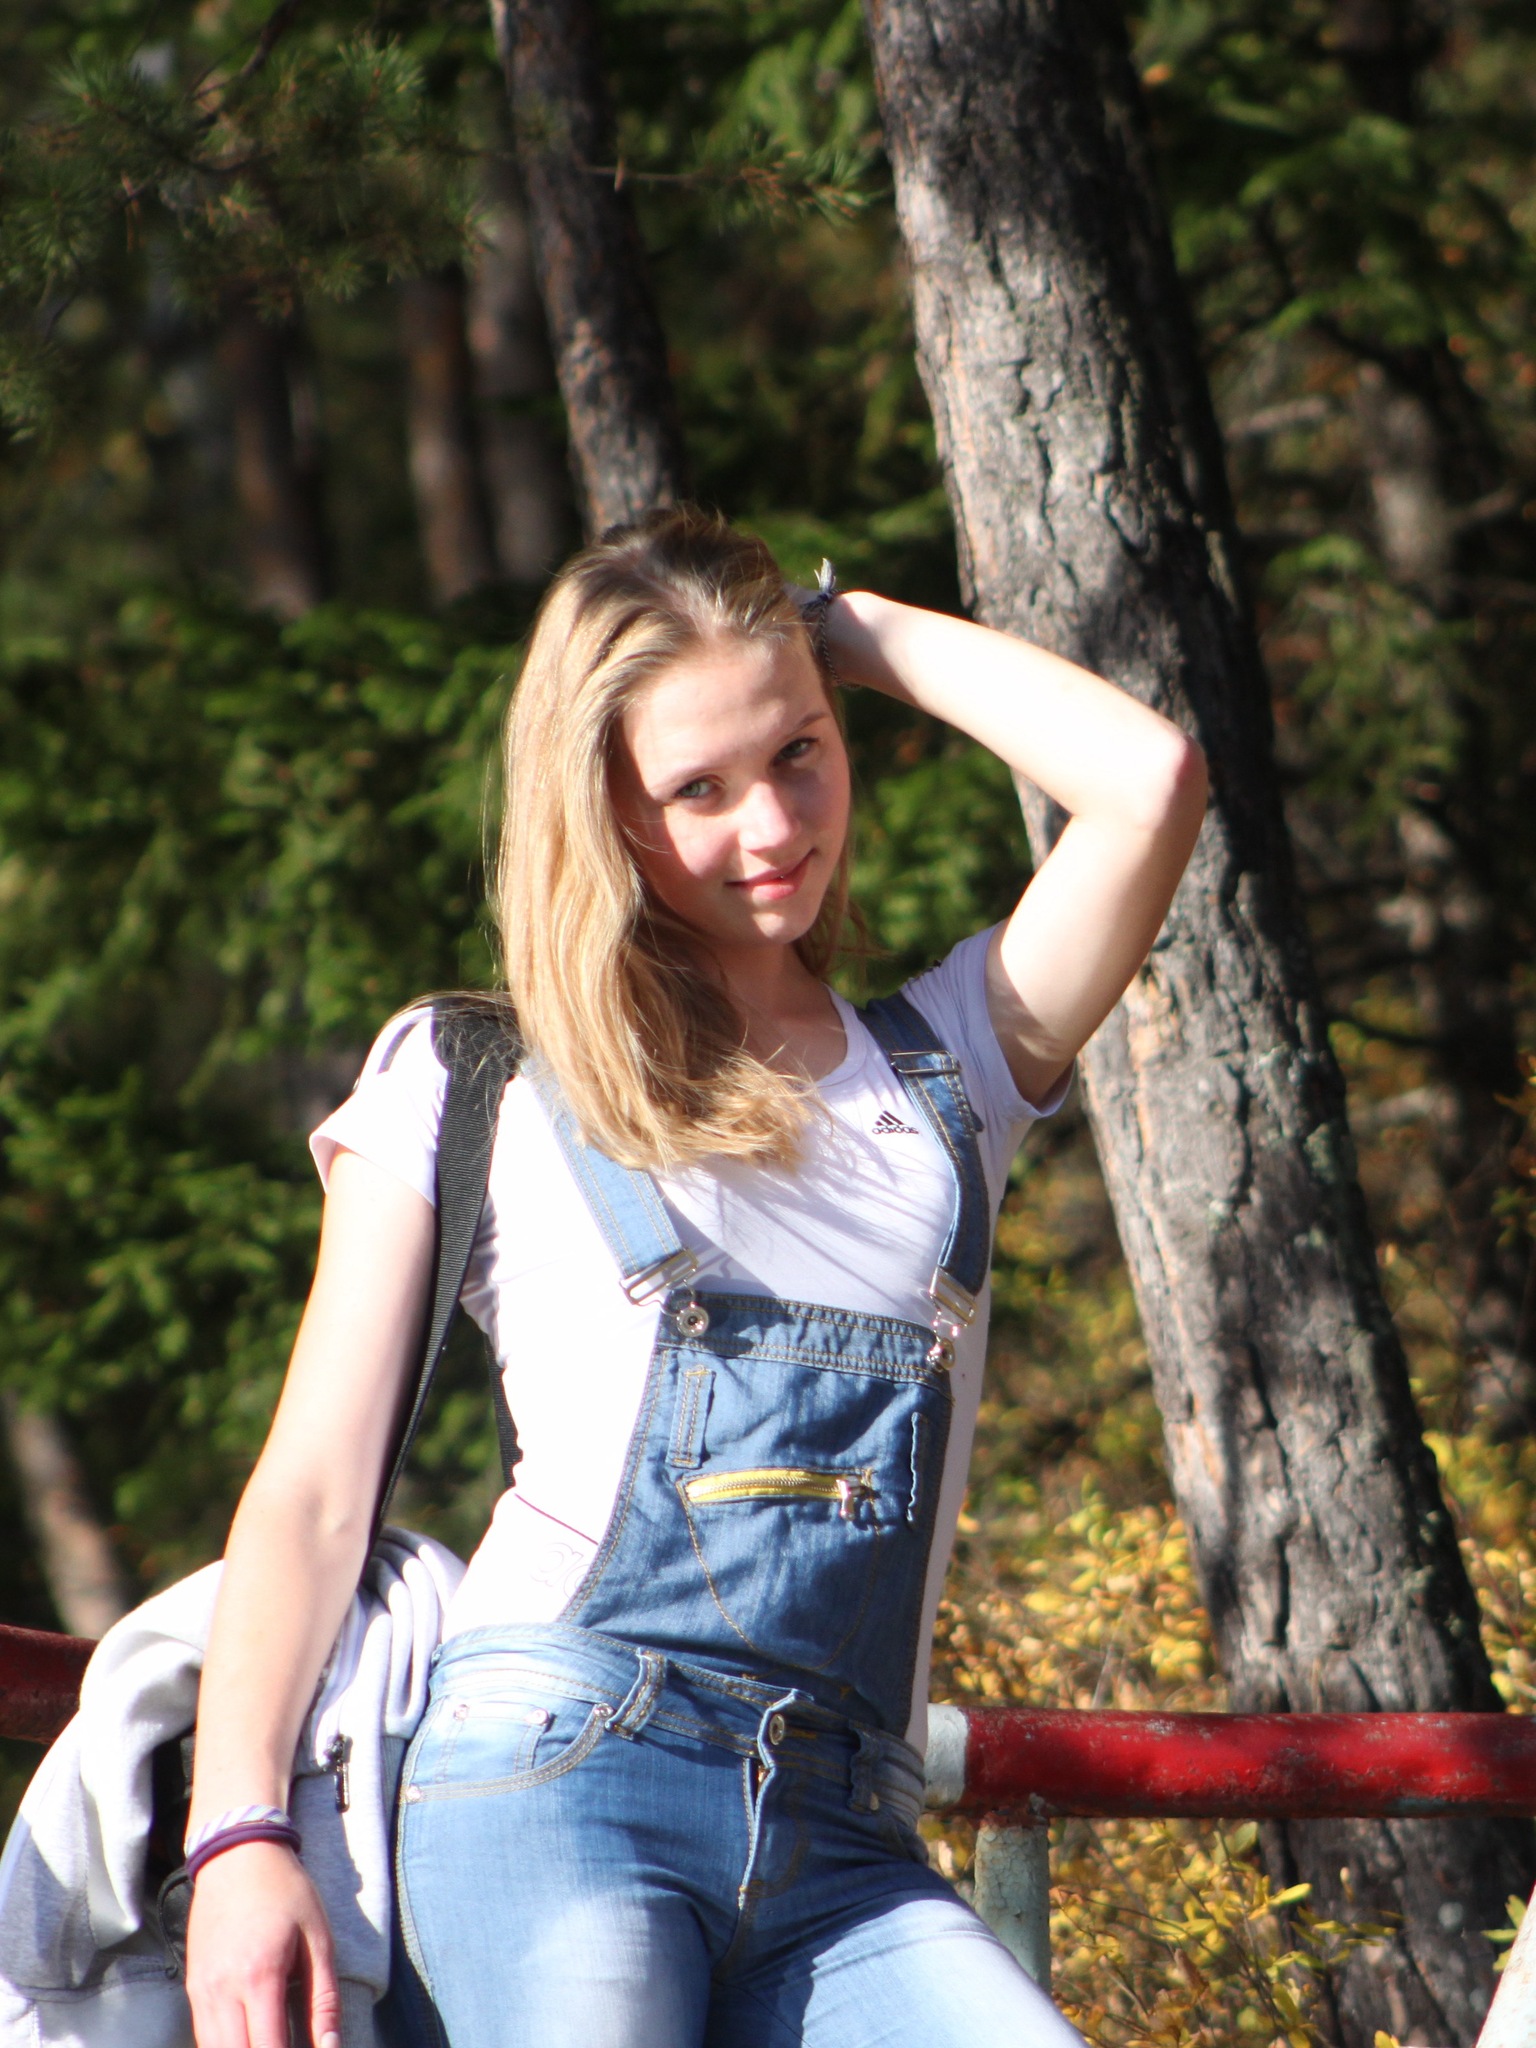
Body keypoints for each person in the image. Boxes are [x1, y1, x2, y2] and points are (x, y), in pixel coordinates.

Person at [182, 507, 1207, 2048]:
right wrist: (238, 1833)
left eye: (799, 752)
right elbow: (315, 1489)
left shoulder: (953, 1072)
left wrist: (834, 626)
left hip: (847, 1832)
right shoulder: (479, 1077)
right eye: (699, 790)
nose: (774, 825)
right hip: (559, 1775)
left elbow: (1151, 784)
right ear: (602, 810)